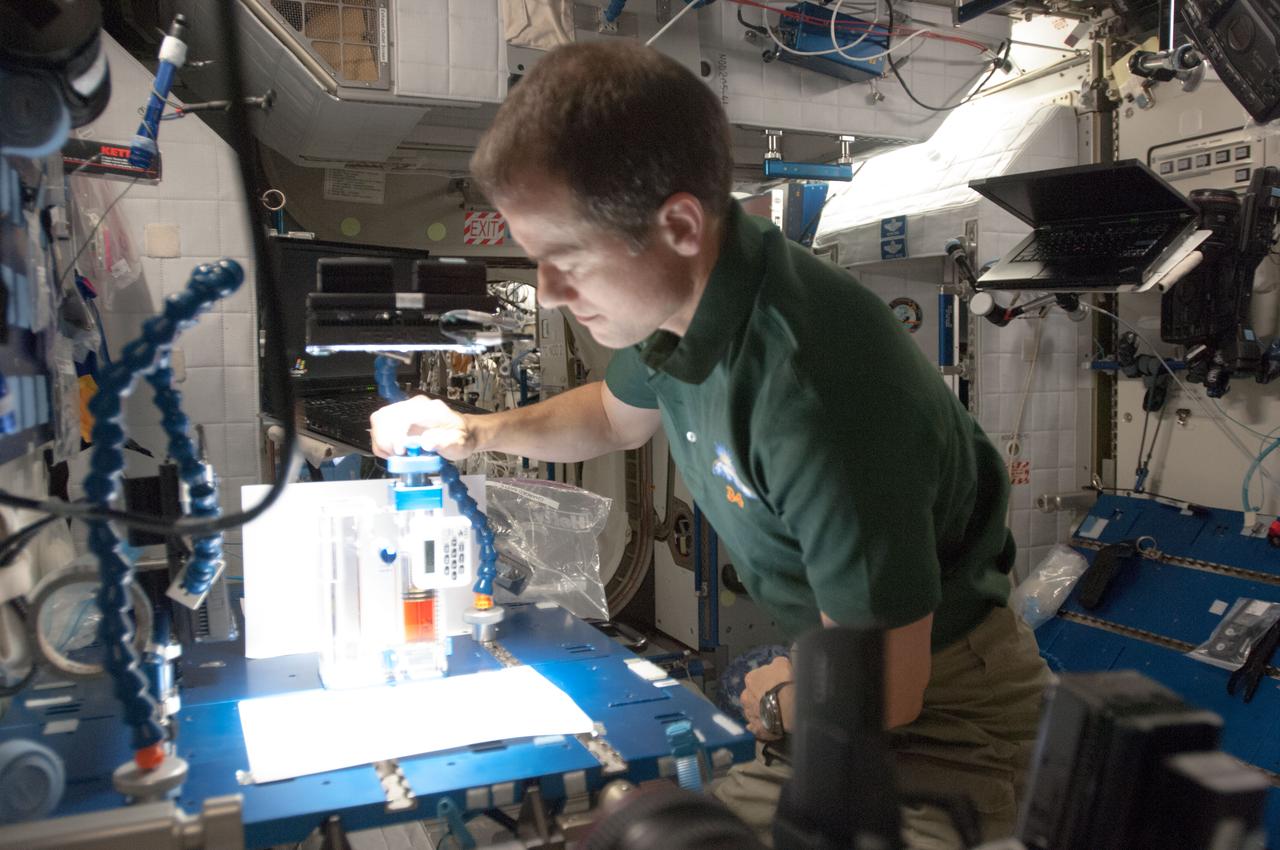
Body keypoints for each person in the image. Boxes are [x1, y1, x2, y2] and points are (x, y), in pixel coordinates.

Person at [370, 40, 1048, 849]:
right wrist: (472, 433)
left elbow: (886, 692)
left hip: (948, 733)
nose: (548, 294)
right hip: (838, 700)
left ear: (680, 225)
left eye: (567, 259)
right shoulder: (689, 307)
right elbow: (615, 417)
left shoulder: (810, 392)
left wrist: (772, 699)